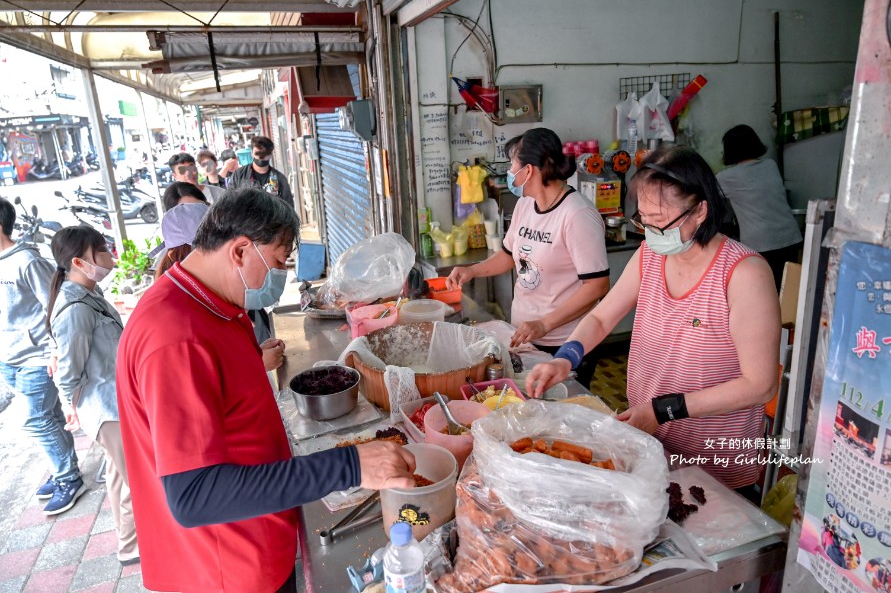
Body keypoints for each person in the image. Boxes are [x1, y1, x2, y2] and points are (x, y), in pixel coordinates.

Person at [116, 188, 415, 592]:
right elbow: (194, 495)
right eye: (277, 262)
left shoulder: (216, 306)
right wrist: (351, 466)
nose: (279, 277)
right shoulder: (176, 338)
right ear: (240, 251)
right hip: (225, 571)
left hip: (257, 545)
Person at [527, 147, 780, 499]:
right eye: (643, 220)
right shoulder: (650, 254)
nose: (650, 232)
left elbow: (760, 385)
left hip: (715, 465)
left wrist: (664, 410)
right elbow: (602, 317)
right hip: (651, 444)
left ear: (701, 210)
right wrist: (565, 357)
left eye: (660, 221)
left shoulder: (743, 274)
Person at [446, 128, 610, 388]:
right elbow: (509, 256)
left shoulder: (577, 215)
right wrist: (473, 271)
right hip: (524, 336)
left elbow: (597, 286)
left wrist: (545, 324)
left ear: (529, 170)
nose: (510, 172)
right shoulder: (525, 205)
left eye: (512, 164)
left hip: (564, 343)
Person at [47, 226, 139, 565]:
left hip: (115, 402)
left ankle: (130, 545)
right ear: (78, 261)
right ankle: (136, 545)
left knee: (120, 475)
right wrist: (70, 406)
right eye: (100, 250)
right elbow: (68, 371)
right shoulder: (75, 307)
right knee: (137, 477)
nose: (108, 256)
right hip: (106, 408)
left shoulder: (89, 293)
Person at [0, 197, 85, 515]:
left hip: (35, 357)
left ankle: (68, 478)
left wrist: (53, 351)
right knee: (49, 418)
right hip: (8, 357)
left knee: (35, 420)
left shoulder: (27, 262)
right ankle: (65, 465)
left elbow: (54, 304)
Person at [152, 201, 286, 372]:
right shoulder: (174, 320)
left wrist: (253, 353)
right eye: (200, 250)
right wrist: (254, 364)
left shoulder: (217, 296)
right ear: (173, 254)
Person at [716, 124, 802, 290]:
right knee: (788, 291)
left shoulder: (728, 177)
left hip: (763, 244)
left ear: (730, 150)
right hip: (790, 238)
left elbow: (704, 194)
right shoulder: (770, 165)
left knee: (765, 291)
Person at [228, 136, 294, 208]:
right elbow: (230, 201)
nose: (261, 158)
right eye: (258, 153)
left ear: (270, 155)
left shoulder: (280, 179)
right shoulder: (239, 175)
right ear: (252, 153)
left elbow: (289, 207)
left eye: (264, 154)